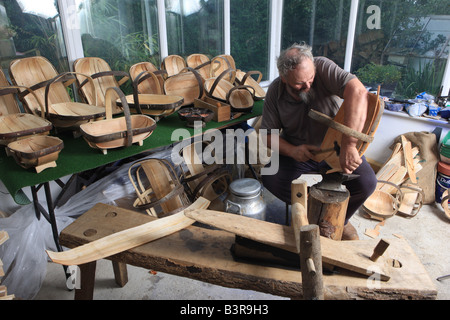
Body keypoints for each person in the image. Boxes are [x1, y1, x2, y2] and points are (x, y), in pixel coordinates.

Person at [260, 43, 377, 240]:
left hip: (336, 147)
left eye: (311, 79)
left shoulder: (322, 66)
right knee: (270, 177)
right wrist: (293, 151)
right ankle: (312, 215)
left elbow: (358, 92)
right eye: (299, 84)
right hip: (299, 151)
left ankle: (341, 220)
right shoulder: (275, 91)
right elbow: (267, 135)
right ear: (284, 78)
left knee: (366, 183)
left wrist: (349, 144)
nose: (307, 86)